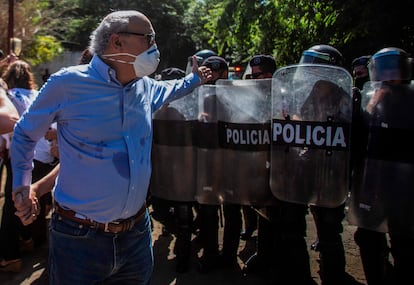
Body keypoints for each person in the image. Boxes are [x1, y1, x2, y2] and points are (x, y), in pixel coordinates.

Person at [10, 10, 212, 285]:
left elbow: (172, 88)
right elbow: (24, 134)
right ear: (117, 42)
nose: (155, 47)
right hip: (78, 239)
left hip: (137, 237)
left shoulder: (145, 87)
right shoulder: (67, 84)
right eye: (149, 38)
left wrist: (195, 79)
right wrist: (22, 185)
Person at [351, 47, 414, 285]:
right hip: (373, 184)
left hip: (405, 187)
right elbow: (358, 137)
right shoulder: (369, 100)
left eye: (393, 69)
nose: (388, 76)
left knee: (405, 244)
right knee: (367, 239)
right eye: (383, 70)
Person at [196, 55, 243, 273]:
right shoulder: (199, 94)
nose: (213, 77)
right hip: (208, 161)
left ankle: (229, 255)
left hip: (232, 162)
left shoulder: (238, 95)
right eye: (209, 73)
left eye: (217, 73)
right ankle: (211, 253)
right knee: (208, 210)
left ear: (225, 73)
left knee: (232, 209)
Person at [241, 54, 277, 275]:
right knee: (264, 215)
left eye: (259, 75)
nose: (254, 80)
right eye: (252, 76)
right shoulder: (253, 99)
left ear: (271, 75)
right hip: (259, 167)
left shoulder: (285, 97)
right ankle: (264, 256)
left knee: (283, 223)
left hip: (282, 170)